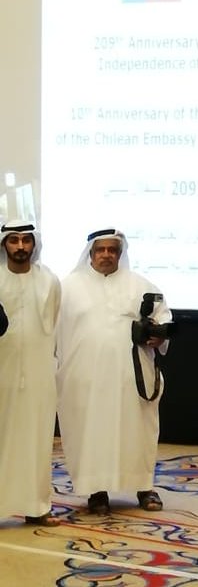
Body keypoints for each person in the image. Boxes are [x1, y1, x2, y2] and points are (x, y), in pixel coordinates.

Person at [56, 228, 171, 515]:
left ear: (120, 253)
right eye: (101, 250)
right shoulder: (67, 288)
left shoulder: (140, 285)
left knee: (138, 430)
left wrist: (160, 337)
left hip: (131, 376)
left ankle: (144, 487)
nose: (106, 255)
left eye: (112, 250)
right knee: (90, 432)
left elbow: (164, 319)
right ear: (90, 253)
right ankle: (96, 491)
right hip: (85, 377)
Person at [0, 220, 62, 526]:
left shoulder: (49, 281)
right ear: (4, 245)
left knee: (37, 440)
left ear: (34, 244)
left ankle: (37, 507)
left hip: (38, 373)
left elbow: (54, 324)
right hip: (3, 371)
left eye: (26, 240)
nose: (21, 246)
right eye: (14, 240)